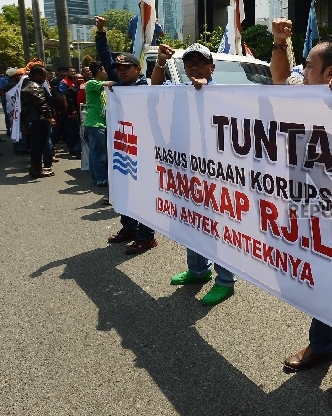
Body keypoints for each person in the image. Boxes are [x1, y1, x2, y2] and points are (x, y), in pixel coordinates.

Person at [269, 18, 332, 410]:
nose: (301, 73)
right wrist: (281, 43)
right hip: (314, 217)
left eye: (308, 68)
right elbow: (279, 80)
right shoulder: (304, 97)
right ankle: (321, 345)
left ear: (331, 72)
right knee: (321, 285)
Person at [150, 42, 238, 306]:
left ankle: (225, 280)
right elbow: (153, 91)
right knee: (191, 221)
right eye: (190, 63)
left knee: (216, 227)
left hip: (216, 173)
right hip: (187, 171)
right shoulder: (179, 90)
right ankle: (199, 270)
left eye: (201, 62)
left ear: (212, 66)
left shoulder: (226, 92)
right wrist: (160, 63)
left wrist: (207, 91)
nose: (195, 67)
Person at [96, 15, 158, 255]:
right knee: (124, 188)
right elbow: (104, 58)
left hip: (141, 150)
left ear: (137, 68)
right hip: (122, 147)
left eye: (126, 68)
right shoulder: (118, 88)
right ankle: (129, 228)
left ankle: (146, 236)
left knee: (141, 193)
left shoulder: (144, 89)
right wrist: (101, 34)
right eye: (118, 69)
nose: (121, 72)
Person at [20, 65, 56, 178]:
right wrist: (49, 117)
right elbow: (42, 104)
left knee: (37, 144)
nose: (45, 78)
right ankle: (36, 169)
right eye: (44, 76)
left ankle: (37, 167)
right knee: (38, 145)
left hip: (33, 119)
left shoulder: (29, 84)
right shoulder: (34, 86)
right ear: (37, 75)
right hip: (38, 120)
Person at [83, 62, 108, 189]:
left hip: (97, 124)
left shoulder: (99, 86)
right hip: (95, 124)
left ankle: (96, 177)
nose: (106, 72)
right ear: (99, 71)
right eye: (104, 69)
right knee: (99, 154)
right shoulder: (92, 83)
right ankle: (101, 179)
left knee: (95, 153)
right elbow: (110, 83)